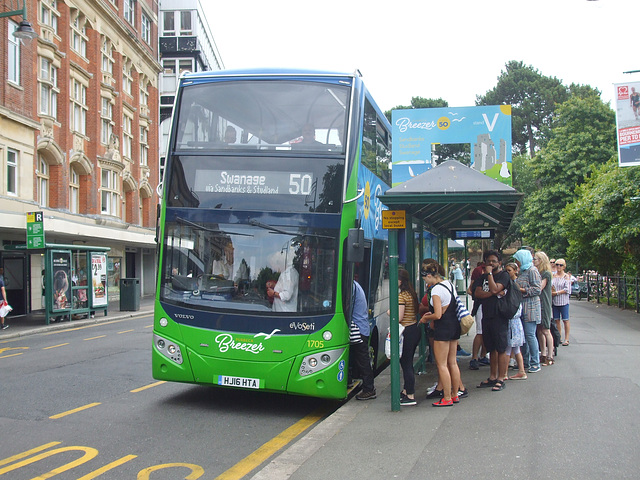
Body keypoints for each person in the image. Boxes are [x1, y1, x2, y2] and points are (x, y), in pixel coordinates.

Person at [419, 260, 464, 406]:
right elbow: (447, 307)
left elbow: (437, 314)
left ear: (430, 275)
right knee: (452, 362)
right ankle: (455, 394)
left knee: (442, 364)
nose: (425, 281)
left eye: (425, 278)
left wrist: (426, 318)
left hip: (443, 329)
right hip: (454, 326)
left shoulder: (436, 290)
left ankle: (446, 398)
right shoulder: (448, 284)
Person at [474, 250, 510, 392]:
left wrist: (489, 276)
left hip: (499, 317)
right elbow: (477, 292)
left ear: (499, 263)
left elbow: (496, 288)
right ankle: (492, 376)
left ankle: (501, 378)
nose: (491, 263)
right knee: (491, 348)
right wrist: (492, 294)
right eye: (488, 261)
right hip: (486, 316)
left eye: (494, 261)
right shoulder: (482, 278)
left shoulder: (504, 276)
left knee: (501, 348)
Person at [392, 268, 421, 406]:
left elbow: (399, 317)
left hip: (407, 331)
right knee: (407, 362)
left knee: (406, 363)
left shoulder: (401, 296)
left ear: (400, 280)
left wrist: (389, 312)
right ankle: (405, 391)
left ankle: (410, 395)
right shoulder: (411, 293)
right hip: (414, 329)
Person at [513, 249, 542, 373]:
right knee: (524, 336)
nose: (516, 262)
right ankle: (525, 362)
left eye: (517, 259)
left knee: (530, 335)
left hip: (531, 307)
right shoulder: (522, 271)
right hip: (522, 307)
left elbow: (537, 289)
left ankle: (535, 362)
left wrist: (522, 290)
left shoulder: (532, 271)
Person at [351, 280, 376, 400]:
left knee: (363, 360)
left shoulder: (351, 287)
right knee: (359, 358)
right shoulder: (355, 285)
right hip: (361, 328)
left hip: (358, 329)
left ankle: (369, 389)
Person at [504, 263, 526, 380]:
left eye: (509, 270)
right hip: (516, 321)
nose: (508, 273)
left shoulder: (514, 286)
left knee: (509, 347)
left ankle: (504, 373)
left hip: (513, 320)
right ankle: (521, 371)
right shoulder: (514, 285)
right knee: (515, 348)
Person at [534, 251, 555, 365]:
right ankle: (543, 353)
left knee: (546, 329)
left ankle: (550, 355)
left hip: (544, 303)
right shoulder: (538, 272)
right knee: (539, 329)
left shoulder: (546, 273)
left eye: (535, 259)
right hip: (538, 303)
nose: (534, 261)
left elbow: (540, 287)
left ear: (541, 261)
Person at [552, 258, 571, 345]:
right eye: (557, 264)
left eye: (561, 265)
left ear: (564, 267)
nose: (558, 266)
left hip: (563, 301)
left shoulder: (566, 277)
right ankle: (558, 337)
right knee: (556, 320)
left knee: (565, 320)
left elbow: (567, 289)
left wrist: (556, 293)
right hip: (555, 301)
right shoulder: (553, 276)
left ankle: (566, 338)